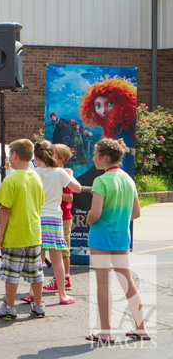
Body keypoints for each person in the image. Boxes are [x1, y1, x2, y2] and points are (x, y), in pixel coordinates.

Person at [85, 138, 150, 343]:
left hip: (101, 238)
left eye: (95, 154)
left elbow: (95, 213)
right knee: (128, 282)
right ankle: (141, 328)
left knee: (103, 283)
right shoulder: (128, 180)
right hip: (121, 237)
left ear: (104, 158)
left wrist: (88, 218)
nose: (93, 157)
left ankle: (105, 331)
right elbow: (136, 212)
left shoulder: (101, 181)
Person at [0, 139, 45, 320]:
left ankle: (9, 307)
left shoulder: (11, 180)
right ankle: (38, 305)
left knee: (11, 273)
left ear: (14, 155)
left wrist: (0, 235)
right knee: (36, 271)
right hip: (34, 233)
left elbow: (5, 209)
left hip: (15, 234)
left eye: (9, 155)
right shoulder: (36, 177)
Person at [32, 140, 81, 305]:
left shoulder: (34, 172)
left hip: (37, 217)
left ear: (36, 157)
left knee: (38, 257)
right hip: (54, 218)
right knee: (57, 258)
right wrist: (70, 175)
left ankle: (33, 292)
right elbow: (78, 188)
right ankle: (62, 295)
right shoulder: (60, 173)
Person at [79, 78, 137, 176]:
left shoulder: (123, 127)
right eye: (98, 106)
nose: (103, 111)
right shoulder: (112, 126)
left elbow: (128, 153)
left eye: (110, 104)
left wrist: (125, 179)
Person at [42, 143, 74, 292]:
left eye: (52, 153)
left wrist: (52, 192)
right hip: (53, 215)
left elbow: (69, 197)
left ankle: (64, 278)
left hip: (63, 216)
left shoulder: (63, 174)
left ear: (61, 158)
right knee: (49, 249)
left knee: (62, 250)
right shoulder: (52, 172)